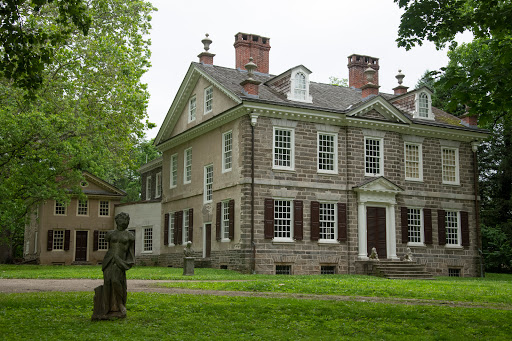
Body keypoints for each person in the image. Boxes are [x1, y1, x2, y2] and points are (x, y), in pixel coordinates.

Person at [92, 212, 135, 320]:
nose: (125, 221)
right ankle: (105, 307)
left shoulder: (129, 236)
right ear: (117, 220)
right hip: (109, 259)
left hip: (119, 261)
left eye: (126, 219)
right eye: (123, 219)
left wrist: (128, 262)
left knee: (116, 281)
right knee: (107, 282)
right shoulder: (110, 234)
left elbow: (131, 252)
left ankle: (120, 304)